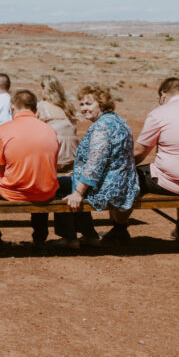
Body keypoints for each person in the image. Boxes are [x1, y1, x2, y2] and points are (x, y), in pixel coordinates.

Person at [0, 90, 60, 249]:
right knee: (37, 183)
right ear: (35, 109)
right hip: (46, 190)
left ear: (12, 108)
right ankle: (40, 237)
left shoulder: (3, 130)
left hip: (13, 191)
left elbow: (0, 168)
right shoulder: (50, 130)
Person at [61, 84, 140, 242]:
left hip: (110, 189)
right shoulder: (117, 120)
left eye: (89, 104)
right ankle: (88, 234)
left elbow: (95, 164)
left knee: (60, 186)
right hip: (124, 183)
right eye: (82, 104)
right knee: (69, 181)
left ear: (102, 104)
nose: (84, 108)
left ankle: (69, 238)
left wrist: (78, 193)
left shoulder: (102, 127)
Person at [134, 77, 179, 197]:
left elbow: (138, 153)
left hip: (176, 184)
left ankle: (117, 216)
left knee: (125, 178)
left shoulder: (159, 113)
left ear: (163, 94)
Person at [37, 75, 79, 172]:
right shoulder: (69, 106)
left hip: (53, 156)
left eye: (42, 88)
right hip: (72, 156)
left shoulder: (42, 106)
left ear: (46, 89)